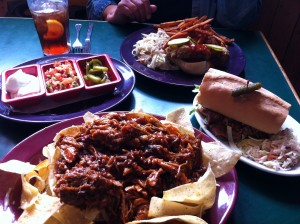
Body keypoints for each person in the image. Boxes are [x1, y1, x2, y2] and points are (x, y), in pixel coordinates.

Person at [87, 0, 262, 29]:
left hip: (198, 54)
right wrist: (112, 11)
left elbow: (237, 20)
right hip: (127, 37)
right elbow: (95, 2)